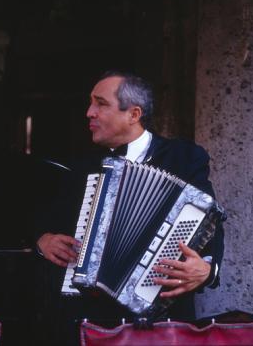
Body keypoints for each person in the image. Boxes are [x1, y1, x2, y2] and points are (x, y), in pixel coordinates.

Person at [35, 71, 224, 344]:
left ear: (133, 114)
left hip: (163, 316)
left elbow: (211, 222)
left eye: (100, 103)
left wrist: (208, 270)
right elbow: (45, 221)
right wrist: (43, 239)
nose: (89, 112)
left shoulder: (184, 157)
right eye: (90, 103)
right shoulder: (80, 167)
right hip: (92, 320)